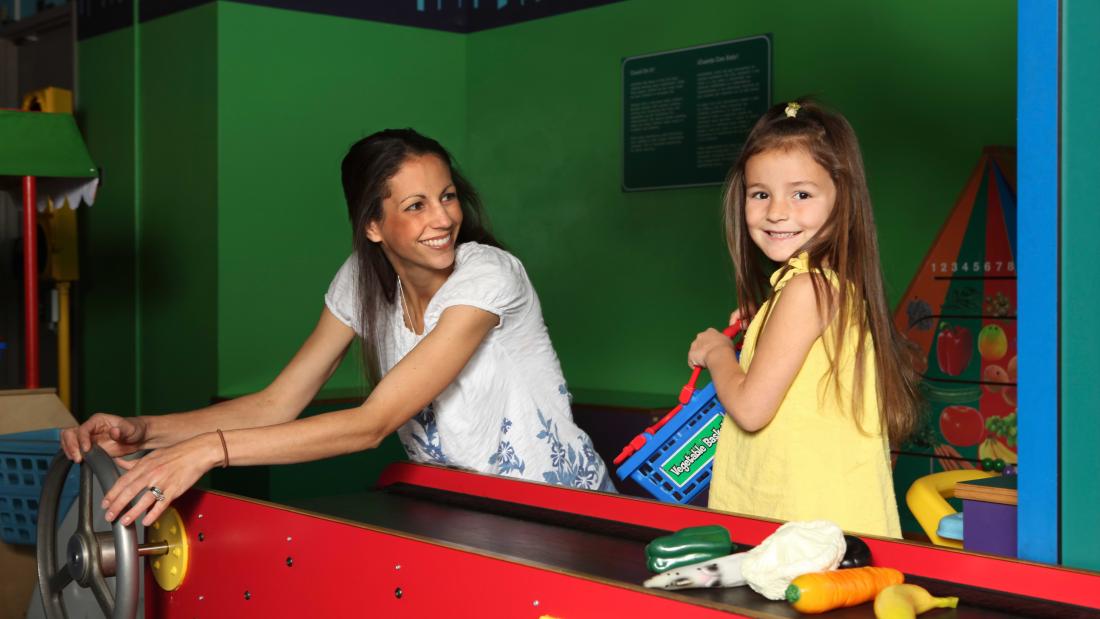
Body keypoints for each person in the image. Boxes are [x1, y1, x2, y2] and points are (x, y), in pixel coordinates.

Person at [62, 128, 615, 528]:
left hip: (564, 515)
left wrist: (208, 451)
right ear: (373, 225)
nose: (443, 219)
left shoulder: (487, 274)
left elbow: (371, 425)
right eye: (416, 206)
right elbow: (277, 402)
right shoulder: (360, 279)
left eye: (447, 197)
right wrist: (146, 431)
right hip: (460, 514)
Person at [686, 99, 921, 537]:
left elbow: (752, 410)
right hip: (812, 526)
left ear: (842, 198)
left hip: (804, 533)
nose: (776, 211)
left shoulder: (807, 288)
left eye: (801, 193)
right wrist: (764, 323)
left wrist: (719, 351)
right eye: (761, 194)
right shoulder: (818, 284)